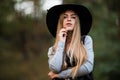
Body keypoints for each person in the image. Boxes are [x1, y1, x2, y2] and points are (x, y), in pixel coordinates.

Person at [46, 4, 94, 80]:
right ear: (61, 22)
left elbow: (88, 67)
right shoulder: (52, 49)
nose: (69, 19)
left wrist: (61, 75)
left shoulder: (86, 40)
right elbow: (55, 69)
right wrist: (61, 42)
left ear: (77, 22)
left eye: (73, 17)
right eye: (65, 17)